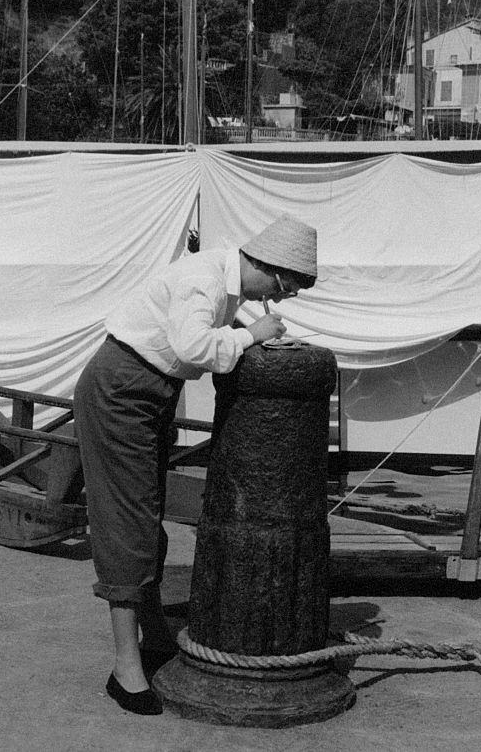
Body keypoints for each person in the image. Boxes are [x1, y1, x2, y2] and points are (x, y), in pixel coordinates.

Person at [73, 213, 318, 715]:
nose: (279, 299)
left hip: (150, 392)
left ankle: (155, 631)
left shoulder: (225, 285)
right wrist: (253, 336)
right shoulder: (203, 280)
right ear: (271, 271)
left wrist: (247, 330)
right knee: (129, 524)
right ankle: (125, 669)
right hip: (121, 391)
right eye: (286, 289)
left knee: (148, 515)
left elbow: (201, 337)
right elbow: (192, 345)